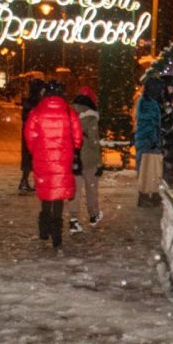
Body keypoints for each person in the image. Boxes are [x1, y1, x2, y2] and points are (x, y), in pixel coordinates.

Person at [25, 80, 82, 252]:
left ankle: (44, 229)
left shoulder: (36, 112)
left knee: (46, 193)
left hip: (42, 158)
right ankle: (57, 233)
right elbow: (77, 137)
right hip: (62, 159)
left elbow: (29, 136)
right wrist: (73, 148)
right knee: (58, 194)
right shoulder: (68, 111)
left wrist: (36, 150)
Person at [69, 86, 103, 233]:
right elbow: (94, 142)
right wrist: (100, 162)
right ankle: (93, 214)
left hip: (73, 158)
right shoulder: (91, 117)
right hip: (88, 158)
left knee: (75, 190)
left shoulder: (68, 113)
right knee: (91, 187)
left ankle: (73, 219)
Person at [134, 78, 164, 207]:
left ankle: (146, 197)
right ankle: (146, 198)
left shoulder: (145, 101)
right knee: (149, 170)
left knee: (146, 169)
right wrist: (153, 140)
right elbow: (151, 124)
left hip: (144, 140)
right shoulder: (149, 103)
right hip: (148, 141)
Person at [19, 79, 45, 193]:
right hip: (37, 134)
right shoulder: (38, 101)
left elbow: (25, 117)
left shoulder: (29, 101)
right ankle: (30, 182)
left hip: (29, 133)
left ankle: (25, 181)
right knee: (35, 158)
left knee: (28, 158)